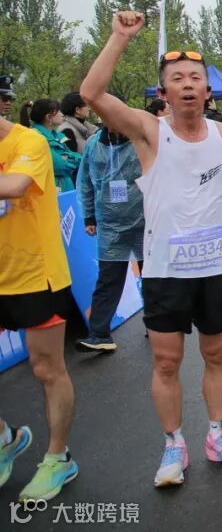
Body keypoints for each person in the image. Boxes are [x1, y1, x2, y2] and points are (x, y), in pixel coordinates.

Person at [81, 11, 222, 487]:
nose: (187, 85)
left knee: (217, 356)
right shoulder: (149, 131)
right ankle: (173, 444)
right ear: (163, 92)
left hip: (216, 267)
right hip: (164, 269)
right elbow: (92, 94)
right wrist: (119, 37)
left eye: (195, 78)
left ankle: (218, 435)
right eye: (176, 79)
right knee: (165, 361)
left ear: (208, 90)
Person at [0, 108, 79, 502]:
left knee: (47, 369)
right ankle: (5, 439)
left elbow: (15, 185)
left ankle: (57, 458)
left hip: (36, 275)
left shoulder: (29, 141)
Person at [74, 118, 144, 352]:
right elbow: (85, 181)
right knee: (108, 279)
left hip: (145, 221)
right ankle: (98, 334)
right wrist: (89, 216)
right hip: (110, 224)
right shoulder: (93, 145)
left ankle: (157, 325)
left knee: (153, 277)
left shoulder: (140, 139)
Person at [20, 99, 81, 192]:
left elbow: (78, 157)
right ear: (49, 117)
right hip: (51, 189)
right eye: (58, 111)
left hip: (65, 187)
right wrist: (71, 160)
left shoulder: (56, 135)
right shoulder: (36, 136)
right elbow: (59, 166)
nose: (62, 114)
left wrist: (67, 158)